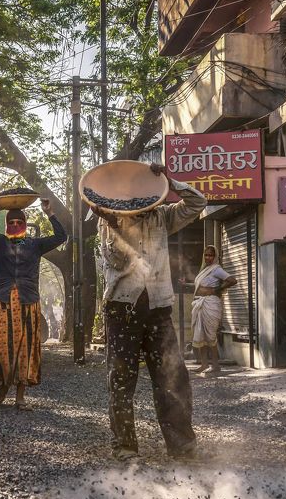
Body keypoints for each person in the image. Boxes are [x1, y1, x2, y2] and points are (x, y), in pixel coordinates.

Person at [95, 162, 207, 461]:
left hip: (158, 307)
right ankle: (125, 446)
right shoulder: (108, 220)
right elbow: (116, 261)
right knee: (121, 378)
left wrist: (170, 183)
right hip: (122, 308)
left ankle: (182, 445)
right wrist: (117, 225)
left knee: (173, 378)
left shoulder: (163, 216)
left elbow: (198, 202)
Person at [0, 198, 67, 410]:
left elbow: (62, 236)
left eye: (19, 221)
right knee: (1, 350)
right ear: (7, 224)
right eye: (11, 221)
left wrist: (49, 213)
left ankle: (20, 396)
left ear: (25, 223)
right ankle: (5, 384)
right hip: (3, 302)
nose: (15, 224)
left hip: (28, 303)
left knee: (25, 350)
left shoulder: (35, 245)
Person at [190, 245, 236, 376]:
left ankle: (215, 366)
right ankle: (204, 364)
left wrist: (216, 290)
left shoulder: (217, 269)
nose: (208, 257)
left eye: (210, 255)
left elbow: (232, 280)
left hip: (210, 304)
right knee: (201, 335)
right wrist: (185, 284)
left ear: (215, 256)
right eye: (206, 255)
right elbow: (200, 287)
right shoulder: (204, 269)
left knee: (210, 336)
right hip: (200, 303)